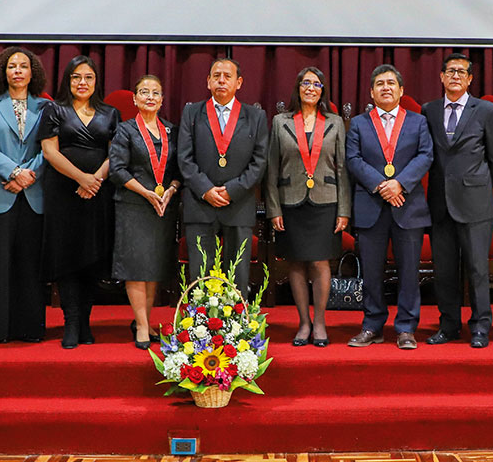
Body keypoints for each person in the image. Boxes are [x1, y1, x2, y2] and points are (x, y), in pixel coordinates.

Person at [346, 64, 434, 350]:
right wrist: (382, 185)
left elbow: (425, 155)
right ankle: (372, 326)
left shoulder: (418, 122)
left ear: (401, 90)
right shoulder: (358, 123)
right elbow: (353, 159)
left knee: (409, 272)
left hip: (407, 206)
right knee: (371, 272)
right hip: (370, 205)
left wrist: (400, 184)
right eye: (380, 84)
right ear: (371, 92)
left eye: (391, 83)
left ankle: (406, 328)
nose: (386, 87)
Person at [423, 53, 493, 349]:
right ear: (441, 77)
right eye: (450, 71)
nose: (455, 76)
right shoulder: (429, 110)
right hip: (440, 204)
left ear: (470, 79)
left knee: (478, 270)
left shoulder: (486, 110)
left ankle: (481, 326)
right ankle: (448, 326)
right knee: (444, 270)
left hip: (475, 203)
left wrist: (476, 186)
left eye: (461, 72)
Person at [264, 67, 350, 347]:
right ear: (298, 88)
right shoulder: (281, 122)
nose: (311, 88)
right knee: (296, 262)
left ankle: (320, 322)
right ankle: (303, 322)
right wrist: (274, 209)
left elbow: (342, 169)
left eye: (316, 84)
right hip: (290, 201)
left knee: (320, 261)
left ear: (323, 90)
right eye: (305, 83)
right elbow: (272, 168)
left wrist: (344, 210)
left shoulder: (335, 122)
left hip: (327, 201)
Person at [40, 55, 120, 349]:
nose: (82, 82)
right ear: (67, 80)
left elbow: (115, 153)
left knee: (91, 256)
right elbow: (49, 152)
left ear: (96, 81)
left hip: (98, 193)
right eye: (76, 77)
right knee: (67, 256)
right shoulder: (54, 110)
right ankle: (71, 322)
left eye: (88, 77)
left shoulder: (110, 113)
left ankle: (85, 321)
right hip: (64, 193)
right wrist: (81, 179)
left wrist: (94, 180)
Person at [177, 57, 268, 294]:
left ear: (239, 82)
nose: (221, 81)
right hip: (200, 203)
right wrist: (205, 190)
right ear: (208, 81)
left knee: (238, 276)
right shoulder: (191, 113)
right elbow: (184, 158)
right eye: (216, 76)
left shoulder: (255, 116)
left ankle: (237, 318)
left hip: (238, 204)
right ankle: (200, 318)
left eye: (227, 76)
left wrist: (232, 190)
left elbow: (259, 162)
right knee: (200, 276)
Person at [0, 46, 49, 344]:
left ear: (33, 73)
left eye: (23, 66)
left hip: (34, 194)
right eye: (12, 66)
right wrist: (13, 173)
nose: (18, 71)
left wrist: (28, 175)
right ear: (3, 72)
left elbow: (50, 149)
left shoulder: (45, 107)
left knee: (30, 264)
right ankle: (1, 330)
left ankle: (30, 328)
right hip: (0, 192)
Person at [108, 74, 180, 350]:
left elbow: (179, 170)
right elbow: (117, 170)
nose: (150, 97)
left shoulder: (171, 131)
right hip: (133, 205)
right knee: (136, 267)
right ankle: (139, 324)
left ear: (162, 100)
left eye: (155, 93)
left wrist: (171, 189)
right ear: (135, 99)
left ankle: (147, 321)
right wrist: (146, 192)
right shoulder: (125, 130)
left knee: (153, 267)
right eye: (144, 92)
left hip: (163, 207)